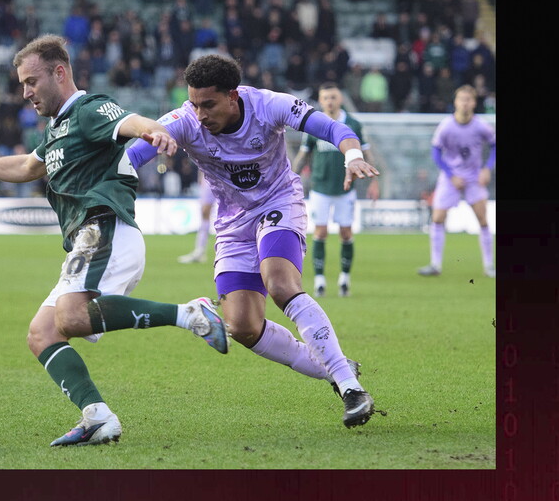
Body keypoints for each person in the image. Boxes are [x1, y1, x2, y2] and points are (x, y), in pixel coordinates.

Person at [0, 35, 228, 447]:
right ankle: (97, 416)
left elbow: (128, 121)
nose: (26, 92)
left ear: (60, 72)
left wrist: (154, 131)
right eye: (21, 84)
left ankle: (189, 313)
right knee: (42, 333)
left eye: (32, 81)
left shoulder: (88, 110)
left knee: (70, 317)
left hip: (104, 227)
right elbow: (26, 166)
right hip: (84, 240)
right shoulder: (56, 130)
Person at [126, 54, 379, 428]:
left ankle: (350, 388)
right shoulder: (183, 121)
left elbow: (328, 127)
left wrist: (352, 155)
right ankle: (334, 365)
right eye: (194, 103)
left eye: (208, 104)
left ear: (233, 96)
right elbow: (131, 158)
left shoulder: (268, 105)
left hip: (278, 204)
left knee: (280, 284)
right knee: (242, 326)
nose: (199, 113)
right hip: (231, 222)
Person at [293, 83, 380, 297]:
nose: (330, 101)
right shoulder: (314, 125)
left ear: (339, 99)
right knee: (320, 232)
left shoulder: (353, 124)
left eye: (333, 97)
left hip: (345, 189)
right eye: (326, 98)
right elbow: (303, 155)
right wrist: (292, 179)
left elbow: (367, 154)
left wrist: (374, 181)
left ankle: (344, 279)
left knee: (346, 233)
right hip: (320, 188)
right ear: (321, 101)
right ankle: (320, 281)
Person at [418, 85, 496, 278]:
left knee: (483, 219)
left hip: (473, 177)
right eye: (462, 99)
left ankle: (489, 266)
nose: (465, 103)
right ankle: (435, 264)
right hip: (451, 177)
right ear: (455, 102)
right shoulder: (446, 125)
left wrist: (487, 168)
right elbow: (435, 152)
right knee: (437, 218)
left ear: (474, 103)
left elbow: (494, 145)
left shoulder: (481, 125)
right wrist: (450, 174)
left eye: (469, 99)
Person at [178, 172, 215, 264]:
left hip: (225, 173)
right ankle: (200, 250)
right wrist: (201, 175)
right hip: (208, 175)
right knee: (204, 211)